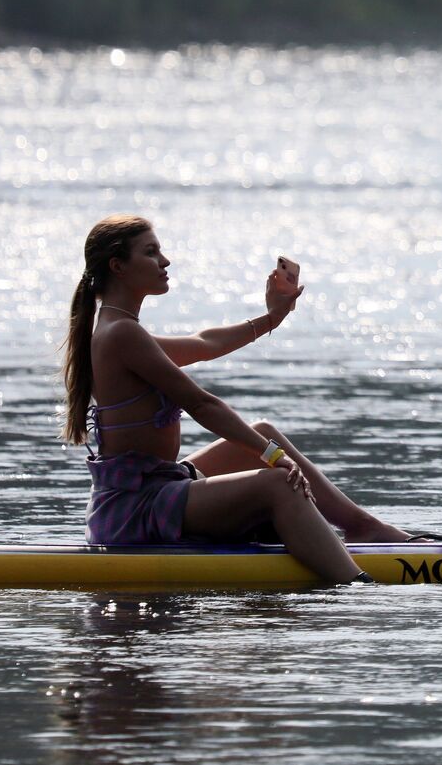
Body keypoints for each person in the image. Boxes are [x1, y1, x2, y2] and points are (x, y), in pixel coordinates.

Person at [60, 214, 414, 583]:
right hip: (136, 510)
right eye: (151, 252)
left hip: (156, 487)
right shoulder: (121, 335)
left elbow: (204, 343)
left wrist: (272, 318)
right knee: (279, 481)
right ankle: (357, 587)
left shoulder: (119, 330)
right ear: (118, 266)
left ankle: (362, 527)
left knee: (263, 431)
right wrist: (273, 458)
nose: (165, 261)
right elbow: (202, 405)